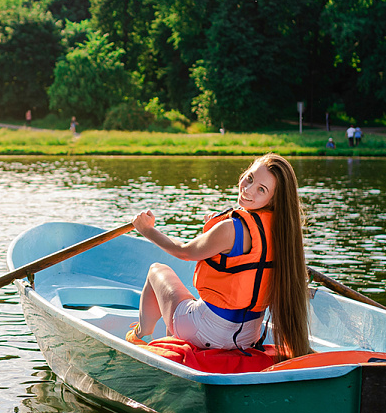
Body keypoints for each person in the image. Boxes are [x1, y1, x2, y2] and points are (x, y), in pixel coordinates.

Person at [129, 154, 311, 361]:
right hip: (247, 337)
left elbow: (184, 251)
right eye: (250, 178)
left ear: (274, 198)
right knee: (189, 300)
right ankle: (170, 338)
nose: (248, 189)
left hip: (206, 333)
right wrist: (215, 229)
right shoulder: (286, 234)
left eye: (261, 189)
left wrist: (147, 230)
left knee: (157, 271)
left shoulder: (231, 228)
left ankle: (139, 334)